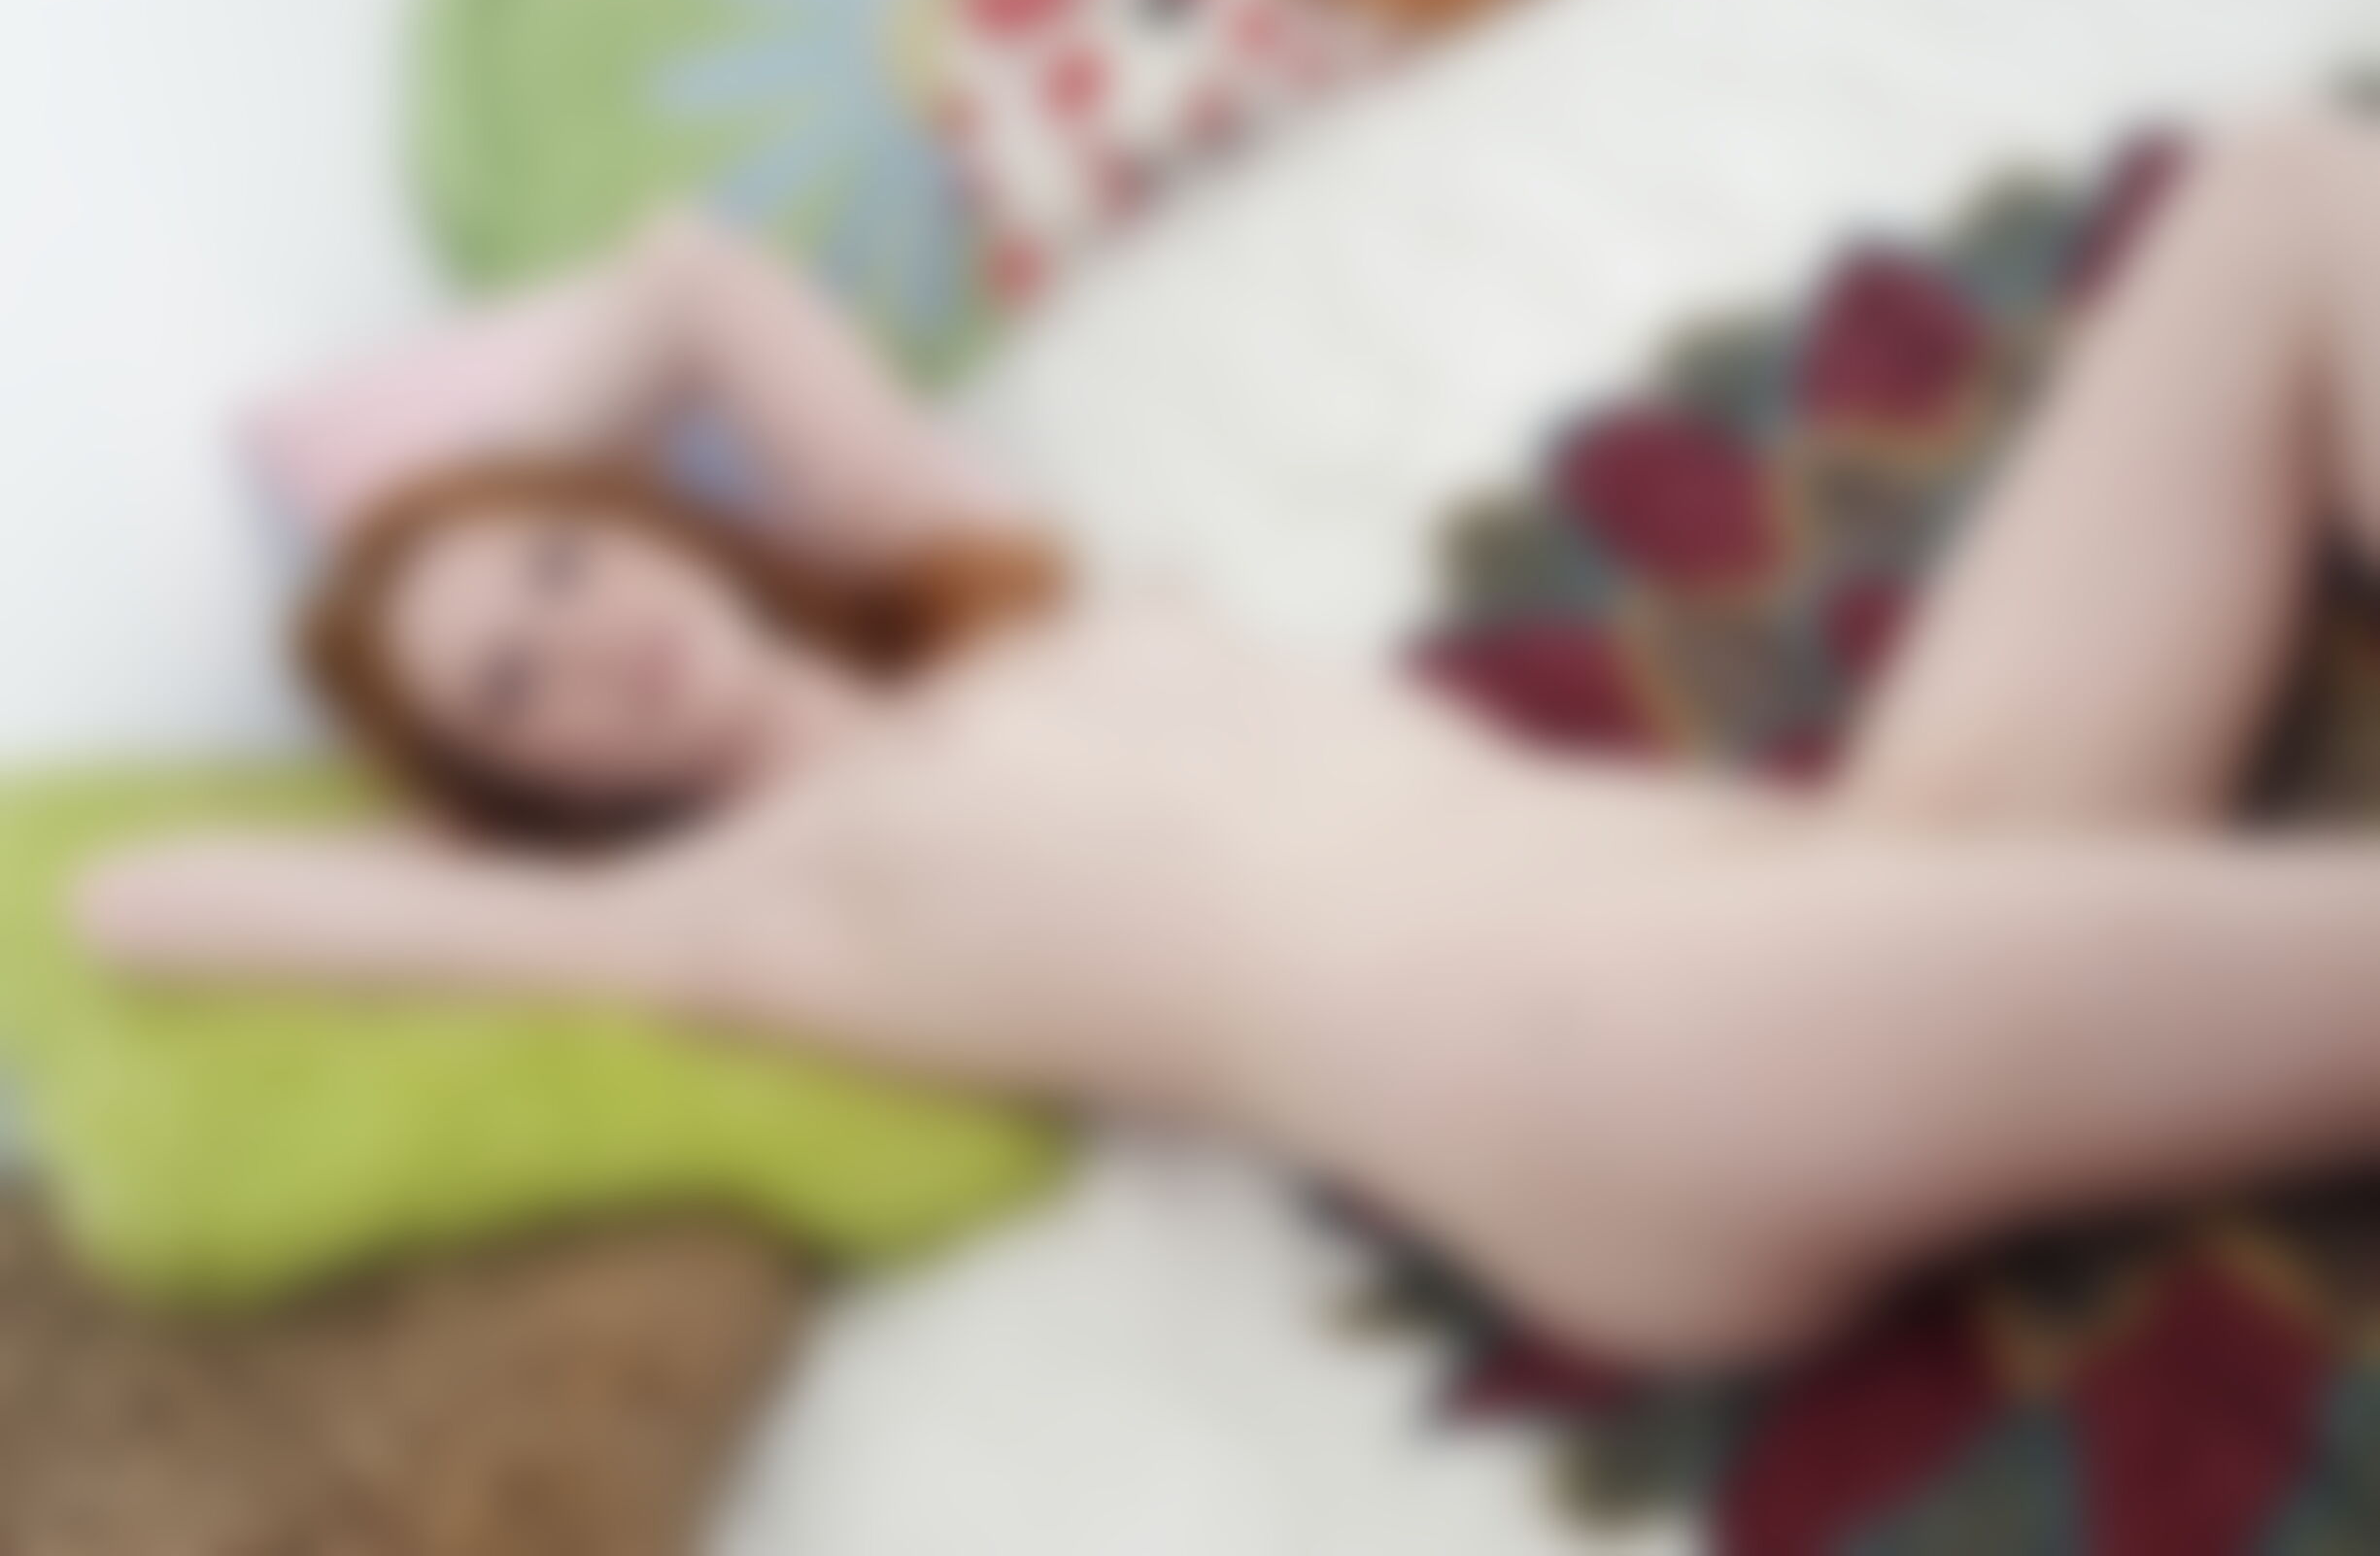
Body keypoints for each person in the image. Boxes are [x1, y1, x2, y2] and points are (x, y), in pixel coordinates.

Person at [77, 110, 2380, 1370]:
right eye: (515, 692)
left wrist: (478, 509)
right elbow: (136, 895)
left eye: (571, 571)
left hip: (1837, 871)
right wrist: (428, 753)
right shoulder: (730, 906)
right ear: (533, 790)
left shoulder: (991, 582)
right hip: (1611, 1082)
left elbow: (695, 274)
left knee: (2285, 199)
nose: (583, 645)